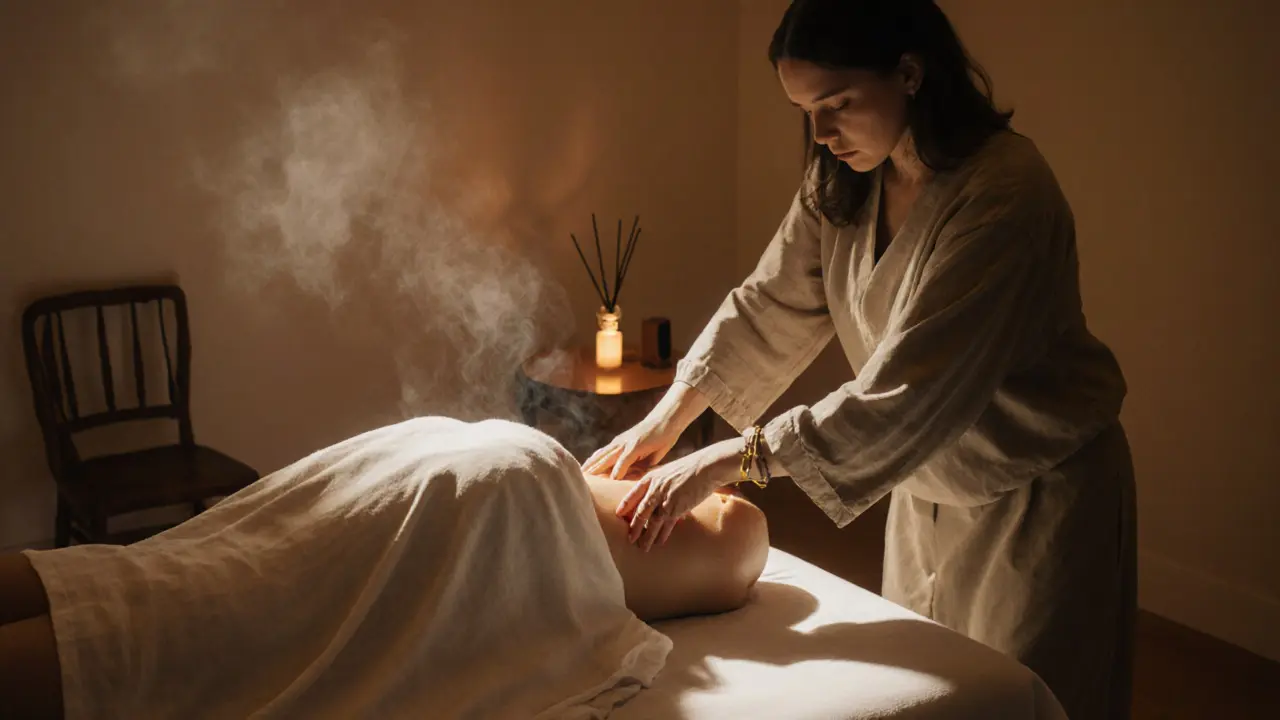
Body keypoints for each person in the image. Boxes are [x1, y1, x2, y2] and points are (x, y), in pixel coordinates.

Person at [583, 1, 1136, 717]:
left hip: (1031, 496)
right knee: (929, 695)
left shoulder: (1006, 192)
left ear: (910, 72)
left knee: (1030, 699)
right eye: (806, 109)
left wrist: (724, 460)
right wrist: (664, 423)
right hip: (926, 485)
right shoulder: (844, 179)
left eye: (838, 103)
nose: (820, 132)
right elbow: (767, 306)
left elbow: (907, 391)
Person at [0, 418, 768, 719]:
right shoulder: (719, 543)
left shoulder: (723, 538)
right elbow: (741, 532)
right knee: (198, 606)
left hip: (451, 462)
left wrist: (701, 459)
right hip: (476, 487)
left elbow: (741, 530)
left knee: (179, 582)